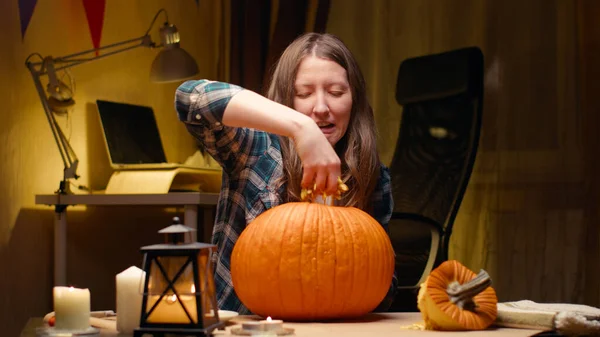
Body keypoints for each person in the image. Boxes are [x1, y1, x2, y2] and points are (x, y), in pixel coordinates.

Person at [175, 32, 397, 314]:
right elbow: (190, 98)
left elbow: (381, 285)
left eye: (336, 92)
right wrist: (300, 128)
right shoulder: (254, 147)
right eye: (303, 94)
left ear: (355, 100)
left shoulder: (373, 175)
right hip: (246, 328)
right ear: (285, 100)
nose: (320, 108)